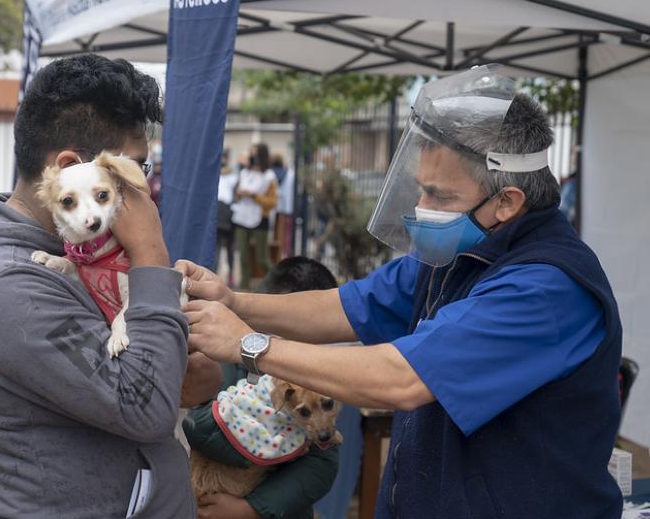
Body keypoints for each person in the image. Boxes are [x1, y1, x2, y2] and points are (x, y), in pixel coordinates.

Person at [178, 66, 623, 518]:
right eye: (420, 190)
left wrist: (248, 344)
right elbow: (348, 305)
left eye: (439, 196)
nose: (421, 208)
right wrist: (234, 301)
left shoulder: (546, 290)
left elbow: (402, 378)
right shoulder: (462, 253)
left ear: (506, 202)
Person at [0, 54, 223, 519]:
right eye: (136, 172)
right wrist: (151, 256)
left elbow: (150, 383)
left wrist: (179, 373)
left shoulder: (76, 256)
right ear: (70, 168)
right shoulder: (5, 286)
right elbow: (144, 405)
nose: (144, 192)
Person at [185, 256, 340, 519]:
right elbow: (195, 428)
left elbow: (322, 465)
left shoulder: (317, 382)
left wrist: (252, 509)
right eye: (274, 334)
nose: (281, 350)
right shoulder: (225, 362)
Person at [232, 143, 278, 289]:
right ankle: (244, 287)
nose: (252, 157)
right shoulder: (244, 173)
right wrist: (238, 194)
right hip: (242, 217)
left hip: (260, 219)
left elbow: (272, 202)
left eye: (255, 154)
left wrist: (254, 196)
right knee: (243, 257)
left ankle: (276, 284)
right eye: (251, 154)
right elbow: (236, 194)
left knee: (262, 258)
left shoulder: (269, 177)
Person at [217, 149, 238, 286]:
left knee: (229, 248)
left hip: (229, 214)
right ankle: (215, 273)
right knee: (219, 247)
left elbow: (237, 195)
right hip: (222, 212)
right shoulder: (231, 176)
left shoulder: (234, 176)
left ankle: (230, 275)